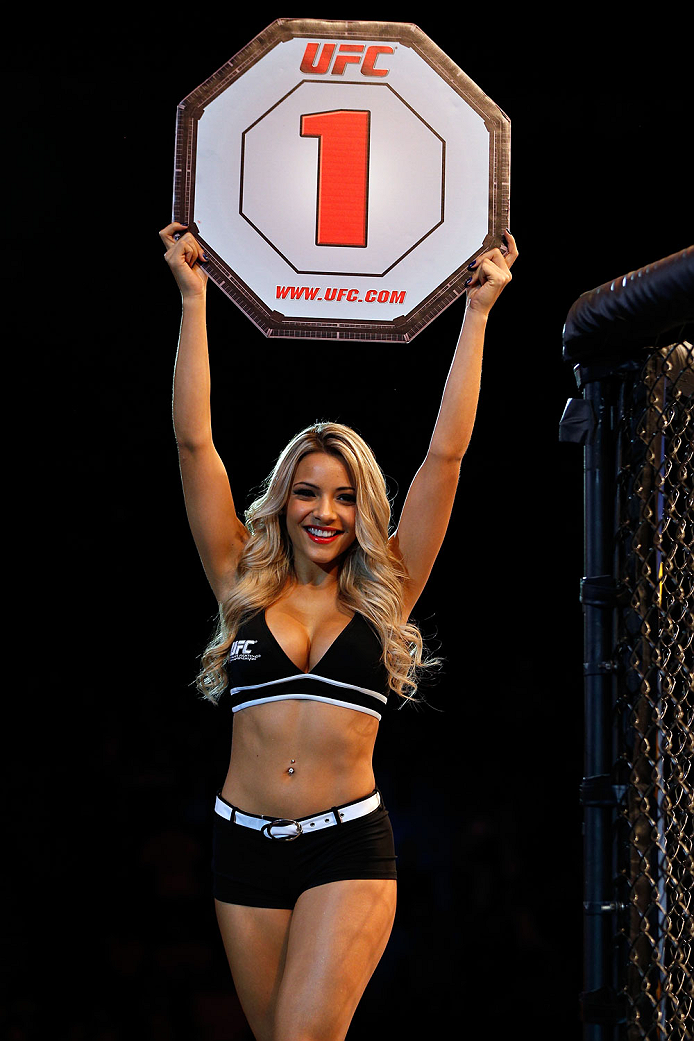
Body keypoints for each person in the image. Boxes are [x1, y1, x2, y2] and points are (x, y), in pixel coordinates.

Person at [159, 219, 517, 1041]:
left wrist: (478, 314)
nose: (326, 511)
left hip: (346, 848)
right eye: (309, 492)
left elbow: (446, 458)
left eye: (346, 495)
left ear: (365, 509)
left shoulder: (387, 583)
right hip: (239, 845)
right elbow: (192, 443)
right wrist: (192, 299)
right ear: (283, 499)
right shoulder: (239, 582)